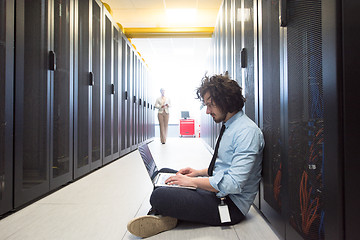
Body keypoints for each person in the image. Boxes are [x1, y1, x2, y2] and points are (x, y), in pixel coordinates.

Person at [127, 73, 265, 238]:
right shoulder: (231, 125)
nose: (207, 111)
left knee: (159, 195)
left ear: (226, 101)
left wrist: (193, 182)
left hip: (229, 205)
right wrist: (197, 173)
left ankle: (165, 215)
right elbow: (225, 167)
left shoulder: (247, 132)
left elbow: (233, 184)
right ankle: (168, 214)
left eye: (210, 105)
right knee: (165, 172)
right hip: (217, 193)